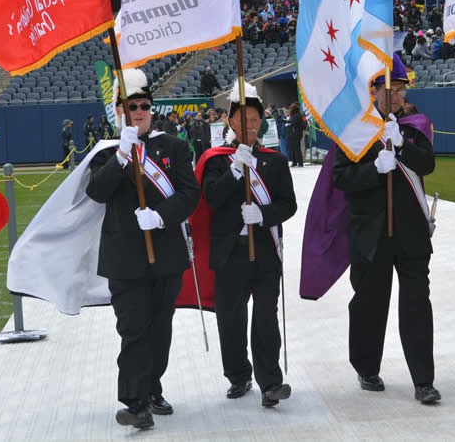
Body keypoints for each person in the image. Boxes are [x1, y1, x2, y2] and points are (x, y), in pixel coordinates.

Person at [85, 69, 200, 430]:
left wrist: (162, 217)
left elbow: (189, 194)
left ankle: (152, 388)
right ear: (119, 111)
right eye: (130, 105)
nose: (138, 111)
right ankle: (135, 403)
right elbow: (97, 193)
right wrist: (121, 157)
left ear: (152, 109)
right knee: (133, 329)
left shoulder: (174, 147)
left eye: (144, 105)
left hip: (165, 253)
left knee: (160, 328)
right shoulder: (106, 154)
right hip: (125, 259)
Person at [332, 54, 441, 405]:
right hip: (370, 234)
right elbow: (340, 178)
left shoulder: (415, 126)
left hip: (410, 233)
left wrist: (402, 145)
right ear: (373, 92)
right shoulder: (354, 131)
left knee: (416, 307)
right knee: (369, 304)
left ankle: (423, 380)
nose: (396, 96)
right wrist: (373, 171)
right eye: (389, 89)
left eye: (400, 89)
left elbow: (427, 164)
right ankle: (366, 366)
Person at [199, 83, 298, 406]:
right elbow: (212, 197)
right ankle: (238, 376)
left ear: (261, 122)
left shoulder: (275, 160)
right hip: (230, 252)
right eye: (242, 120)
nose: (248, 125)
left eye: (254, 119)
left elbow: (288, 205)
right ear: (230, 122)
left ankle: (270, 382)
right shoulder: (216, 161)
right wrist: (234, 169)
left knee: (265, 318)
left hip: (266, 250)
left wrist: (263, 214)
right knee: (231, 318)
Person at [286, 102, 305, 167]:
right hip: (296, 134)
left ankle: (299, 162)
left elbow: (294, 123)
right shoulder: (298, 115)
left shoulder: (296, 116)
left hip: (295, 134)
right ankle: (295, 162)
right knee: (294, 148)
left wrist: (287, 121)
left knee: (296, 149)